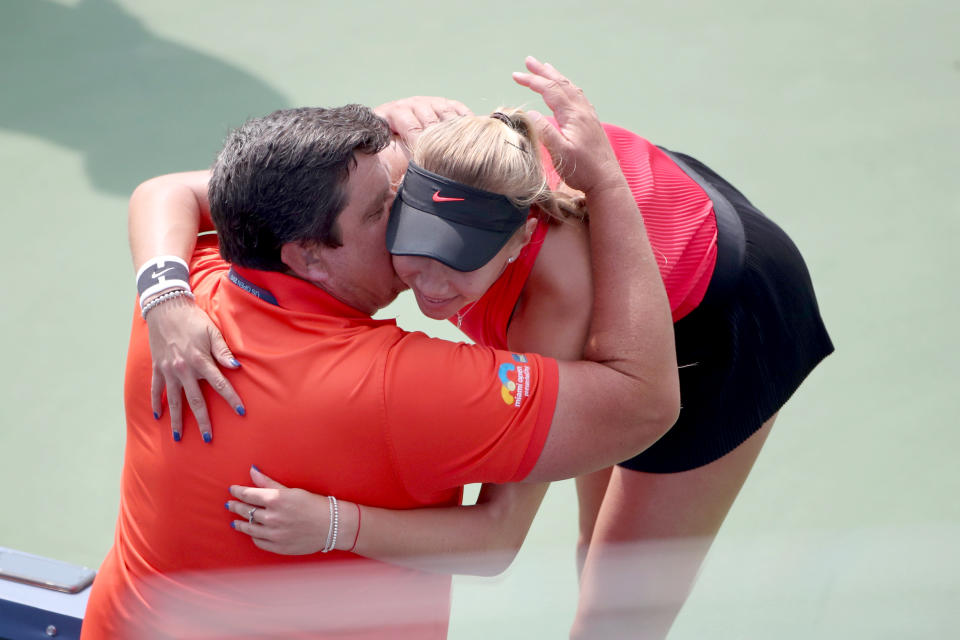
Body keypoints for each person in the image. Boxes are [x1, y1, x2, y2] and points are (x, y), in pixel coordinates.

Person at [81, 58, 680, 639]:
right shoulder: (404, 385)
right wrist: (606, 187)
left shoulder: (185, 289)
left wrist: (355, 136)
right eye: (383, 206)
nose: (408, 214)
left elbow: (174, 191)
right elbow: (644, 405)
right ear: (310, 254)